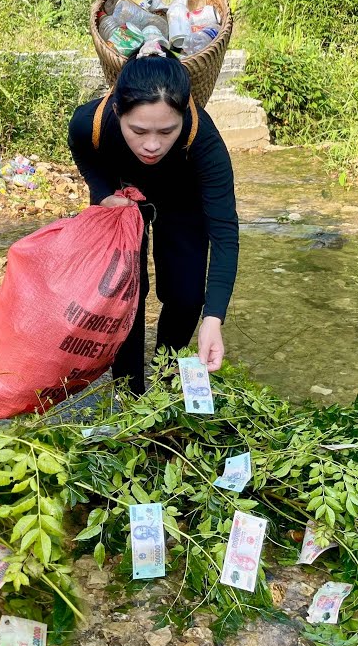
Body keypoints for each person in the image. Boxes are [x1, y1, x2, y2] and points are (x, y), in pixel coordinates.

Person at [67, 53, 238, 394]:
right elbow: (83, 152)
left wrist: (213, 319)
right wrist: (103, 194)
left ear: (184, 116)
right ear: (118, 112)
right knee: (126, 295)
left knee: (188, 297)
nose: (152, 145)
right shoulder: (91, 122)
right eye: (139, 130)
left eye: (167, 130)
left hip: (182, 199)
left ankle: (165, 382)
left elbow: (225, 235)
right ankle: (131, 395)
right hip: (122, 196)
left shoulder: (204, 143)